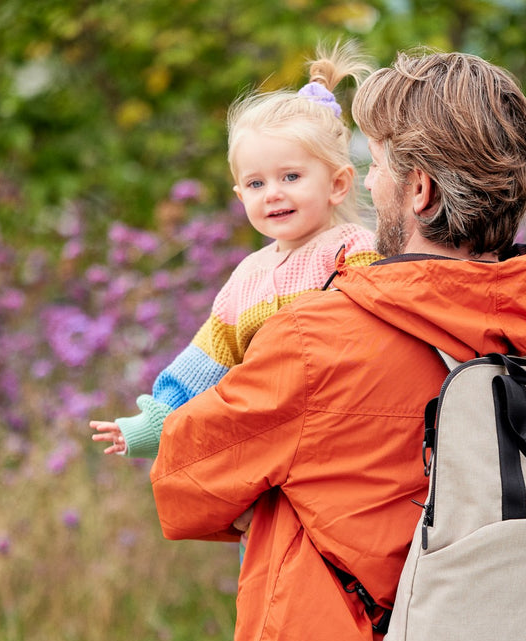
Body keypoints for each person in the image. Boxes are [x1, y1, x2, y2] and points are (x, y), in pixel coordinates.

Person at [151, 50, 526, 641]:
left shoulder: (317, 337)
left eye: (378, 166)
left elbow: (185, 479)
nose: (366, 184)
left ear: (420, 190)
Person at [89, 40, 379, 461]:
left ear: (337, 183)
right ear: (240, 196)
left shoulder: (353, 249)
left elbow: (375, 334)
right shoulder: (248, 276)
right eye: (257, 184)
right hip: (272, 442)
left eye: (291, 176)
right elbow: (208, 357)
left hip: (345, 433)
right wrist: (159, 420)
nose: (273, 194)